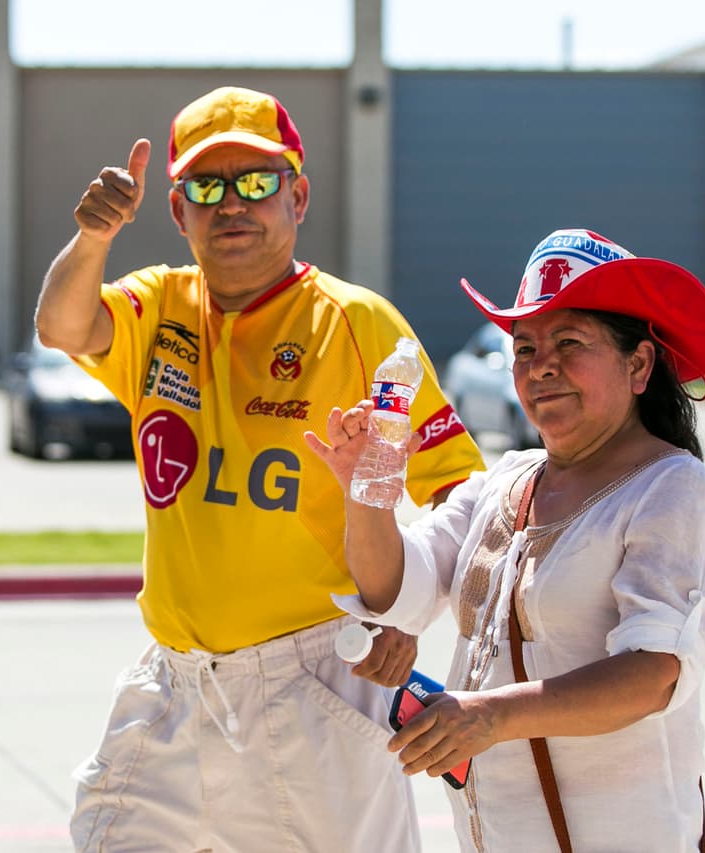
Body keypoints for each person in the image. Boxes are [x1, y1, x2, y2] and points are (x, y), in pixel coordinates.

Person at [34, 85, 486, 852]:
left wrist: (402, 612)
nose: (232, 205)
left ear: (298, 195)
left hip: (312, 682)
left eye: (256, 183)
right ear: (179, 212)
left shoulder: (355, 321)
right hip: (175, 686)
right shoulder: (158, 306)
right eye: (208, 188)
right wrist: (94, 239)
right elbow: (62, 324)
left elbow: (460, 491)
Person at [306, 228, 705, 851]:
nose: (542, 367)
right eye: (525, 347)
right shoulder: (505, 479)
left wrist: (490, 715)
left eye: (569, 342)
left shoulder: (671, 488)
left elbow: (653, 674)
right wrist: (366, 491)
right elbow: (395, 586)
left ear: (639, 364)